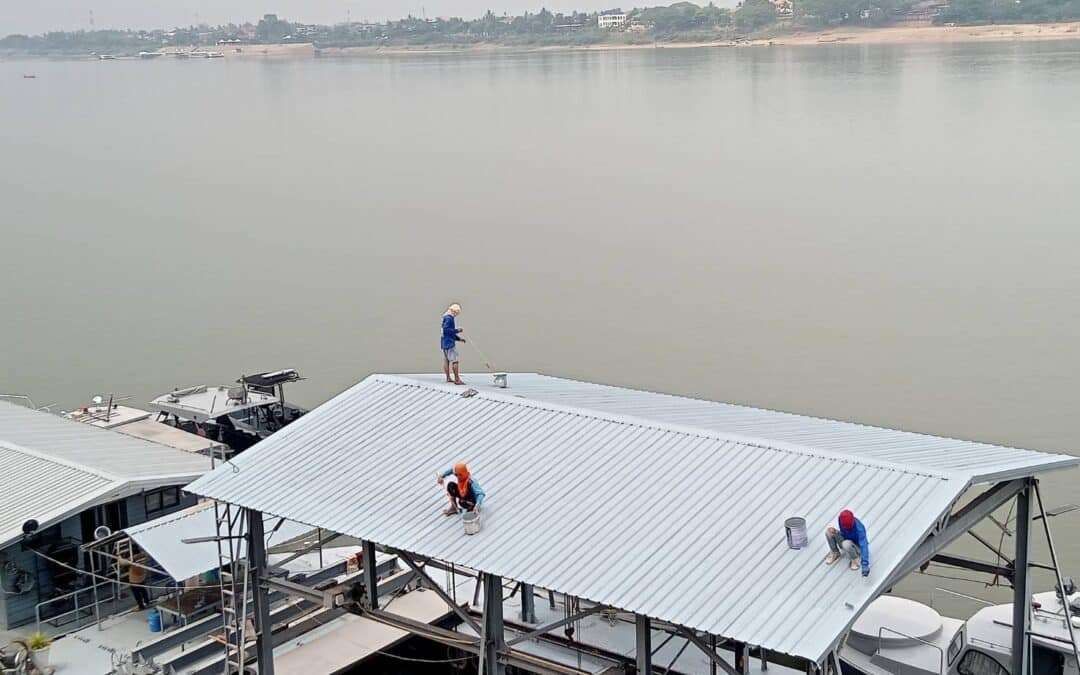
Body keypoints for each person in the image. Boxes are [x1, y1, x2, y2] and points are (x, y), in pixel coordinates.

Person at [824, 509, 870, 576]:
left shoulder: (859, 529)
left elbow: (864, 546)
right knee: (829, 532)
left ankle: (855, 559)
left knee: (846, 544)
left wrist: (865, 566)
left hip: (856, 547)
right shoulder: (840, 519)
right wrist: (836, 532)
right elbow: (844, 532)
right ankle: (835, 553)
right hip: (846, 540)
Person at [441, 303, 466, 385]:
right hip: (450, 343)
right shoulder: (449, 318)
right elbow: (447, 330)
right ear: (454, 311)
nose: (456, 315)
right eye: (457, 313)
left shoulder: (445, 317)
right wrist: (457, 330)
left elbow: (446, 332)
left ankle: (448, 378)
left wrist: (459, 339)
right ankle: (457, 379)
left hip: (444, 342)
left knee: (446, 360)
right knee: (455, 360)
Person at [121, 545, 151, 609]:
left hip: (134, 579)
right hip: (142, 575)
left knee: (136, 593)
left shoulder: (132, 558)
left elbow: (122, 563)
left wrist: (119, 556)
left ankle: (140, 606)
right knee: (143, 589)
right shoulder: (143, 555)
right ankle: (147, 601)